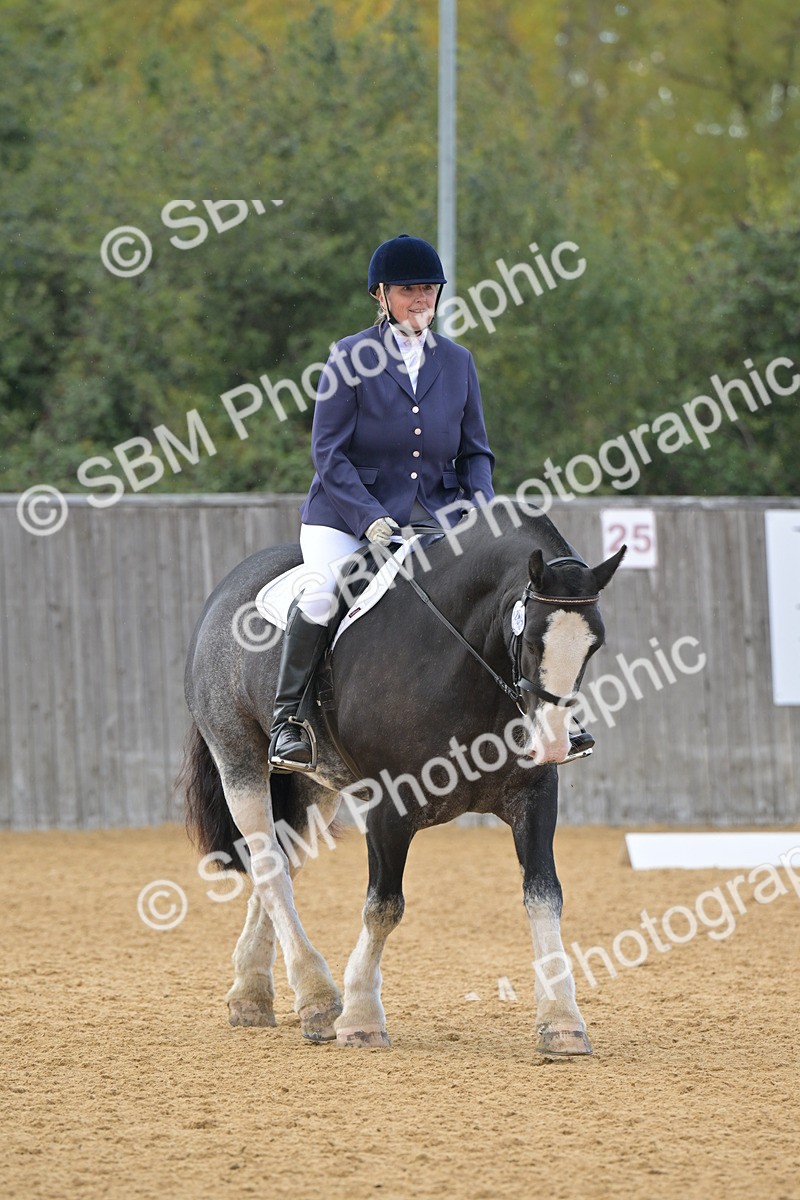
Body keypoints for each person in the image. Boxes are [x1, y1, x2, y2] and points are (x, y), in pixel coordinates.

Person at [267, 233, 592, 771]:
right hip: (346, 518)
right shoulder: (348, 358)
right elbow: (328, 454)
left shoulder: (458, 362)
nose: (421, 300)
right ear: (381, 295)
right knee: (324, 592)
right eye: (408, 290)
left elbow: (476, 453)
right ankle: (289, 722)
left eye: (429, 289)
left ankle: (553, 718)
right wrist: (368, 517)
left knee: (497, 595)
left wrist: (484, 512)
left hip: (436, 520)